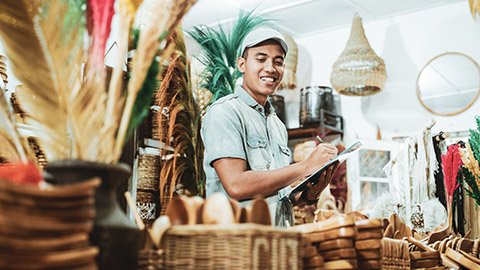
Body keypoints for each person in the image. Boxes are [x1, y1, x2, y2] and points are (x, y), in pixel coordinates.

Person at [200, 27, 338, 226]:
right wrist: (305, 166)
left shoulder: (277, 125)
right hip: (236, 247)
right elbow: (236, 185)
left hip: (276, 244)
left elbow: (277, 197)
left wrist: (309, 195)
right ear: (242, 64)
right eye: (261, 58)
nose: (271, 68)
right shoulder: (225, 112)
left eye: (278, 61)